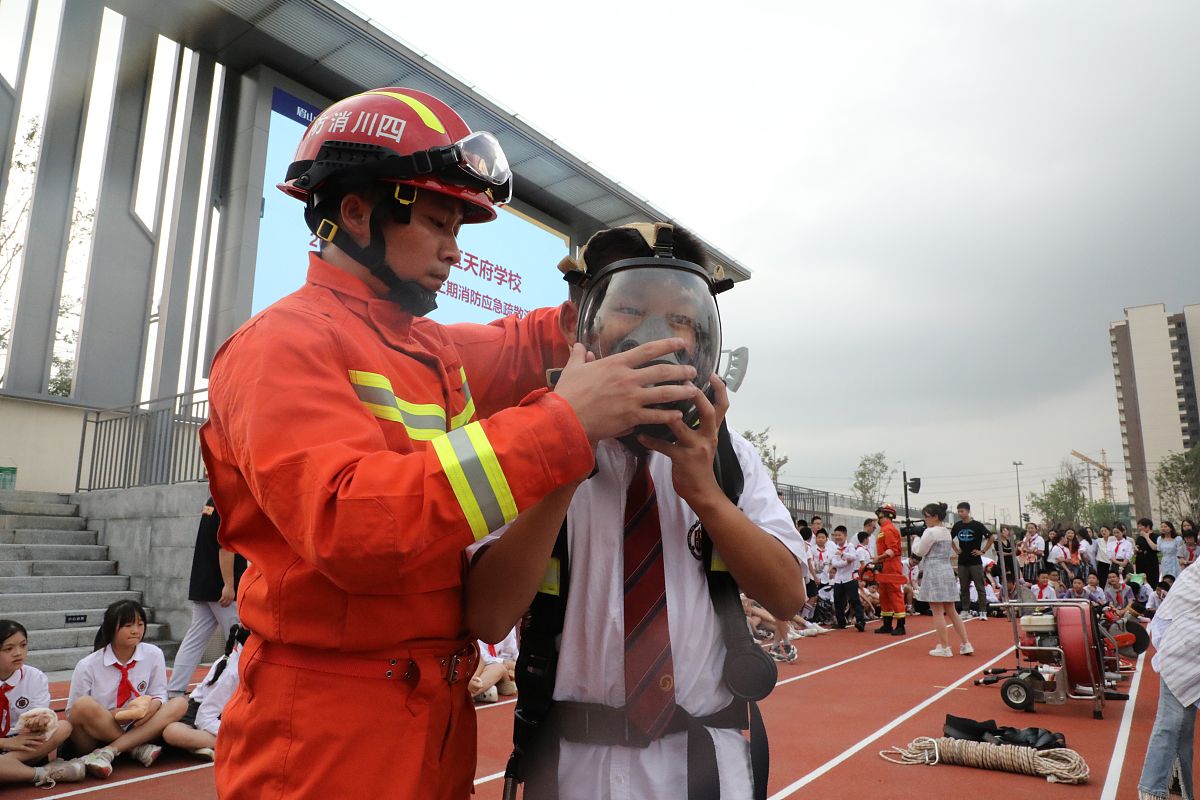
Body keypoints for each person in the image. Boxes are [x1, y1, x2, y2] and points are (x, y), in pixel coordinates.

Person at [198, 89, 701, 799]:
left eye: (460, 228)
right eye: (438, 221)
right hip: (327, 730)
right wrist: (564, 425)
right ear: (357, 211)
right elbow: (351, 524)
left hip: (433, 709)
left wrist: (630, 301)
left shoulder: (427, 346)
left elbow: (529, 339)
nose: (453, 251)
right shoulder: (281, 345)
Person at [463, 223, 806, 799]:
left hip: (704, 770)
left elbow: (787, 596)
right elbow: (488, 617)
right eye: (629, 309)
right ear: (581, 324)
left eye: (680, 319)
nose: (657, 335)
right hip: (572, 770)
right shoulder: (519, 442)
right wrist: (562, 457)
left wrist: (705, 494)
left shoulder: (729, 455)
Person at [67, 600, 174, 778]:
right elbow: (73, 713)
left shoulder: (153, 654)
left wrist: (151, 708)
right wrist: (111, 715)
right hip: (97, 734)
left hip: (138, 726)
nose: (136, 630)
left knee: (179, 704)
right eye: (128, 625)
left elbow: (160, 693)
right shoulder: (88, 665)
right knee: (83, 704)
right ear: (110, 628)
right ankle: (134, 749)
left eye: (140, 624)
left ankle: (113, 750)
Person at [166, 497, 246, 697]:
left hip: (204, 582)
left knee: (195, 639)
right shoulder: (228, 503)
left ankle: (175, 689)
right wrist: (229, 584)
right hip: (222, 588)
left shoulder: (213, 501)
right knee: (240, 643)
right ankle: (239, 691)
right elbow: (225, 547)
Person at [1136, 556, 1199, 800]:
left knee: (1181, 729)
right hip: (1183, 650)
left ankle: (1181, 792)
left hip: (1186, 647)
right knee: (1171, 724)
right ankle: (1151, 791)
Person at [0, 621, 85, 788]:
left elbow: (41, 715)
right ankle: (42, 773)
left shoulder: (35, 677)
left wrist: (40, 721)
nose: (18, 653)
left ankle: (7, 767)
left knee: (63, 727)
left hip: (25, 745)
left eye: (23, 645)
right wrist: (5, 743)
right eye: (8, 649)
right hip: (7, 743)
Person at [161, 625, 246, 760]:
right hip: (203, 715)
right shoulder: (231, 673)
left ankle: (199, 746)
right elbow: (205, 717)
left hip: (229, 714)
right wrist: (239, 734)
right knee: (172, 732)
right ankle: (234, 744)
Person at [912, 503, 973, 657]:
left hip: (934, 571)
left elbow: (919, 551)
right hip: (946, 570)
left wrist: (916, 538)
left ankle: (945, 647)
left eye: (926, 516)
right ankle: (966, 643)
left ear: (935, 517)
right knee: (952, 610)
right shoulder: (946, 531)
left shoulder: (930, 532)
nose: (924, 520)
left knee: (937, 610)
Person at [951, 502, 991, 619]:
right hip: (962, 561)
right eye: (958, 511)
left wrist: (982, 551)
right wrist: (956, 549)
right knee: (964, 587)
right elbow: (949, 538)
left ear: (968, 511)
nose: (960, 513)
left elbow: (991, 538)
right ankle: (965, 610)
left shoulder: (977, 525)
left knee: (980, 586)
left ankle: (983, 611)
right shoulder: (957, 525)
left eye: (962, 511)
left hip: (975, 561)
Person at [872, 503, 908, 635]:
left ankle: (900, 625)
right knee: (884, 595)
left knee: (895, 594)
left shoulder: (889, 530)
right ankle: (887, 624)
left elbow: (893, 550)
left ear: (883, 515)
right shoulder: (884, 530)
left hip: (892, 566)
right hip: (885, 566)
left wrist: (878, 558)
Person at [831, 526, 866, 631]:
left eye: (839, 535)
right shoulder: (834, 547)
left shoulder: (850, 546)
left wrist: (842, 554)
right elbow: (834, 563)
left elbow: (853, 557)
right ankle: (841, 622)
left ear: (845, 536)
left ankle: (860, 621)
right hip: (838, 579)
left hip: (849, 578)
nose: (837, 537)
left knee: (855, 600)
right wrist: (846, 561)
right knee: (838, 601)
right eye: (836, 535)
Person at [1134, 518, 1161, 589]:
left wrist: (1146, 536)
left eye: (1140, 526)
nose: (1139, 528)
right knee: (1140, 582)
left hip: (1151, 562)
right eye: (1138, 526)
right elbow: (1137, 550)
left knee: (1152, 581)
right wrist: (1136, 550)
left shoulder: (1156, 536)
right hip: (1140, 562)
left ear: (1148, 526)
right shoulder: (1139, 538)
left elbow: (1155, 548)